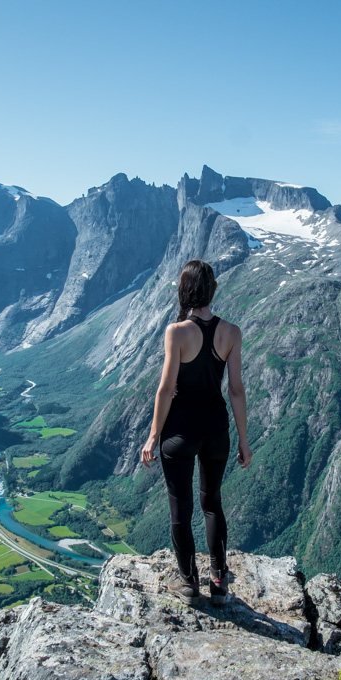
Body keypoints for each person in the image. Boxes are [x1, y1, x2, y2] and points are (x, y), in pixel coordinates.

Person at [141, 259, 253, 606]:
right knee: (212, 503)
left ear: (184, 290)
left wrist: (152, 436)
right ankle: (219, 582)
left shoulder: (176, 333)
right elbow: (236, 389)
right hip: (216, 429)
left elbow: (166, 388)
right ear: (212, 289)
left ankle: (189, 582)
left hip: (180, 433)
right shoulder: (230, 332)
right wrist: (245, 441)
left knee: (181, 508)